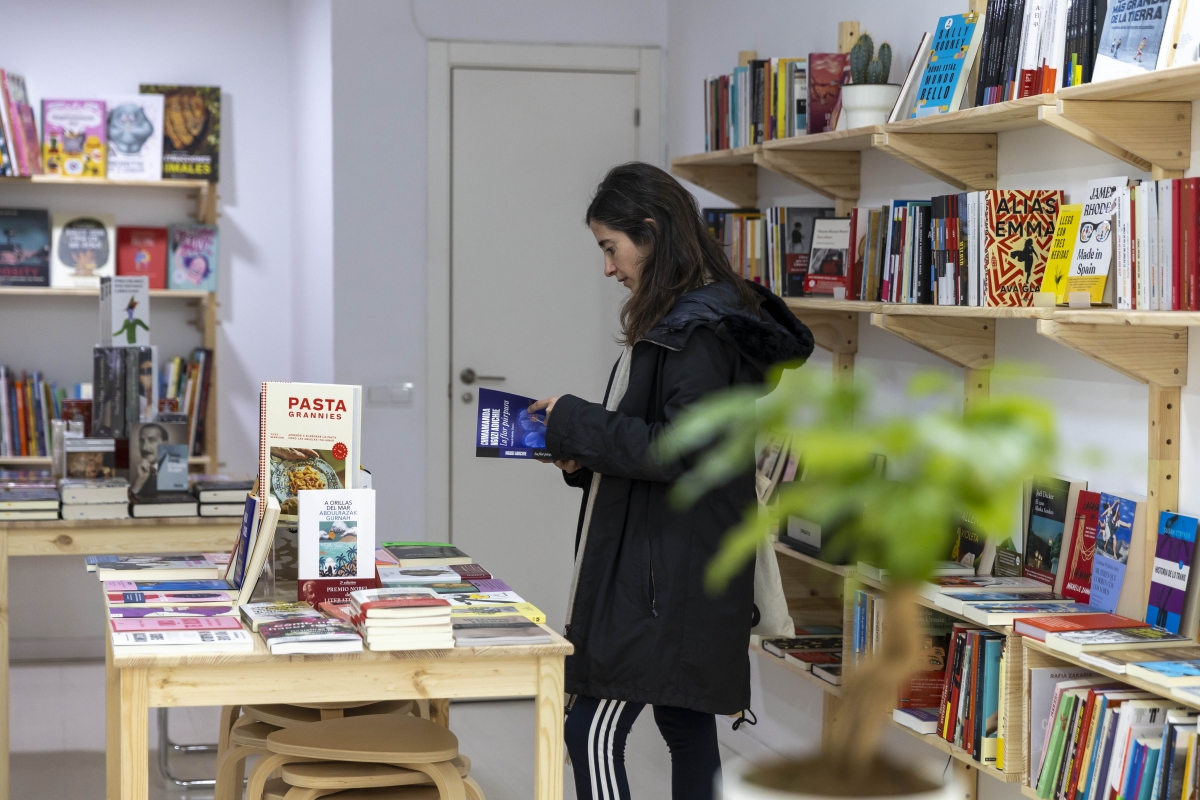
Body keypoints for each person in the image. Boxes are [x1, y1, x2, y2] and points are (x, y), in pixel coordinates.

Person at [529, 162, 813, 800]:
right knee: (685, 723)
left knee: (590, 730)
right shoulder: (690, 319)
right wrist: (584, 454)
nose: (608, 267)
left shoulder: (700, 329)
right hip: (677, 564)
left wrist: (575, 419)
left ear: (651, 233)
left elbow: (679, 449)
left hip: (666, 577)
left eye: (612, 247)